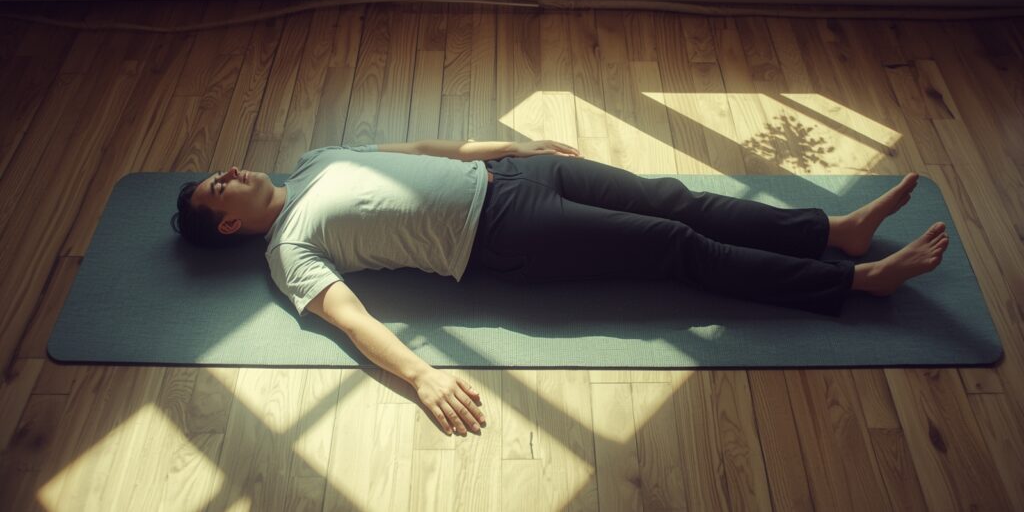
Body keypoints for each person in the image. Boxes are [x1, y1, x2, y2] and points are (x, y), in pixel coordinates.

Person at [171, 139, 948, 436]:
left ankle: (830, 232)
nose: (232, 170)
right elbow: (350, 320)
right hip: (503, 237)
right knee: (675, 245)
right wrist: (422, 374)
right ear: (228, 226)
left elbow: (413, 147)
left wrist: (503, 143)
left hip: (512, 174)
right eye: (219, 186)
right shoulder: (290, 248)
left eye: (222, 170)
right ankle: (854, 281)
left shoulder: (310, 160)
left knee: (673, 197)